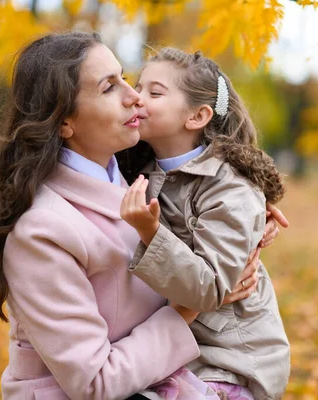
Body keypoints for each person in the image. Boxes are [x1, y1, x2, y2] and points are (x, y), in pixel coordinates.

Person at [0, 32, 284, 399]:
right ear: (65, 121)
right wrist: (187, 309)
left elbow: (197, 191)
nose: (134, 97)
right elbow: (95, 383)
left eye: (125, 79)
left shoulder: (134, 174)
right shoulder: (41, 232)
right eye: (108, 88)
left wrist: (252, 211)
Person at [119, 48, 291, 400]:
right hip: (175, 352)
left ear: (197, 116)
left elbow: (209, 289)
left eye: (155, 92)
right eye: (139, 87)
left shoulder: (231, 189)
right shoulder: (140, 167)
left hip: (229, 361)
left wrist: (150, 233)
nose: (137, 97)